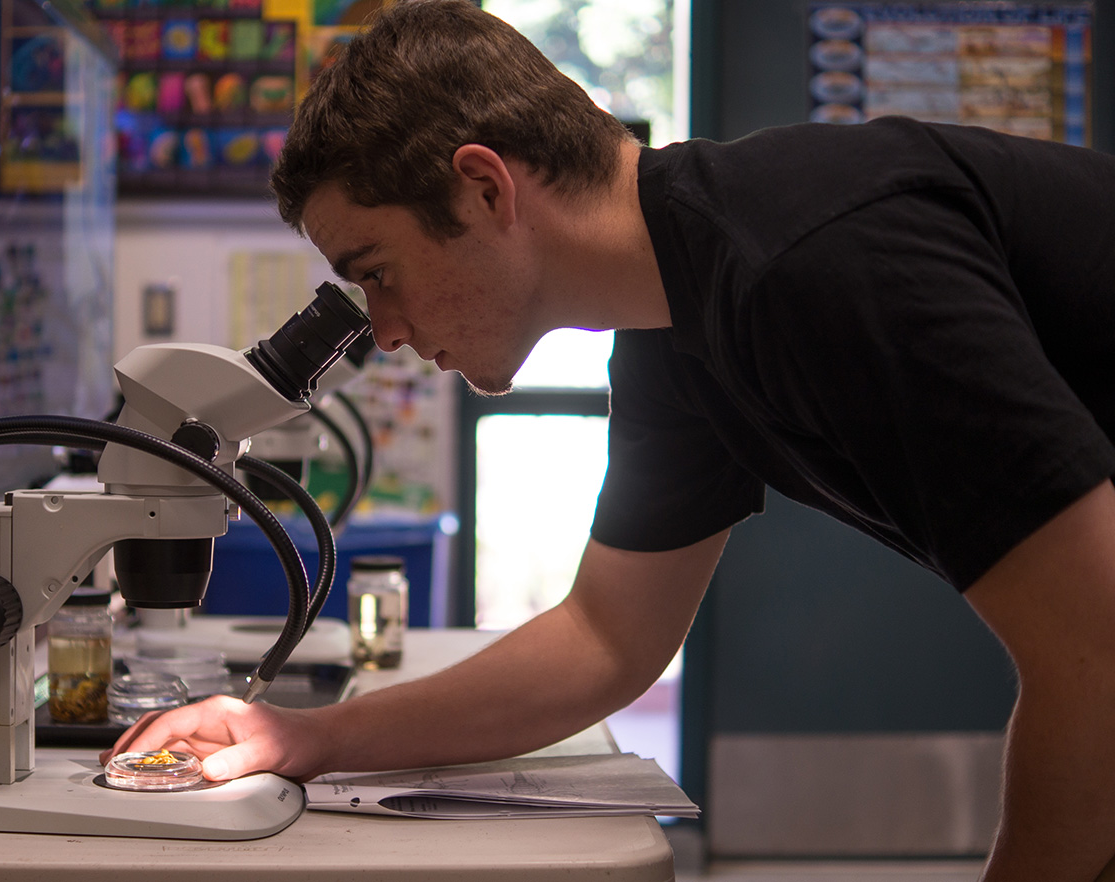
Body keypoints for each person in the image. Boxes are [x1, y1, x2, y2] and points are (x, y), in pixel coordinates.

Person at [106, 1, 1115, 877]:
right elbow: (603, 639)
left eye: (376, 272)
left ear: (483, 188)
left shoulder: (806, 265)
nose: (388, 327)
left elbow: (1097, 658)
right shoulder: (674, 330)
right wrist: (304, 738)